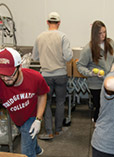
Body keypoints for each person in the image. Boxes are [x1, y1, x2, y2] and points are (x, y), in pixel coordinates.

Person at [33, 11, 73, 140]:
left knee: (46, 102)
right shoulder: (63, 37)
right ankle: (58, 129)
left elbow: (34, 57)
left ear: (47, 22)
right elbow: (68, 57)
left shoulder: (39, 37)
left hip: (45, 76)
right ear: (59, 23)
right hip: (61, 74)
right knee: (61, 102)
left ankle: (49, 131)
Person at [77, 20, 114, 123]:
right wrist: (91, 73)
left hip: (110, 81)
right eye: (100, 33)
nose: (103, 35)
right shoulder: (88, 49)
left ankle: (104, 126)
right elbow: (80, 66)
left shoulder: (110, 43)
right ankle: (97, 126)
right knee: (100, 107)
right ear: (94, 34)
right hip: (96, 84)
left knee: (110, 106)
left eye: (104, 32)